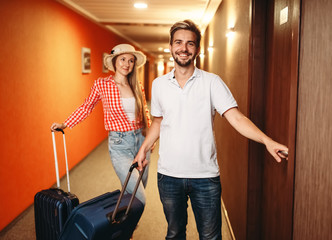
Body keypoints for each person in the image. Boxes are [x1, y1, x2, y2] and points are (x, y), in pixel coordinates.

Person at [133, 20, 289, 239]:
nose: (184, 48)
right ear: (170, 46)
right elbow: (158, 122)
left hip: (205, 177)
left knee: (210, 237)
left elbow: (236, 117)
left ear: (197, 49)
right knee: (174, 233)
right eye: (178, 42)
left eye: (190, 43)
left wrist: (267, 141)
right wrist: (144, 149)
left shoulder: (212, 82)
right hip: (168, 175)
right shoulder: (159, 84)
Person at [51, 44, 151, 205]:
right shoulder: (102, 84)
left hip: (141, 142)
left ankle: (126, 229)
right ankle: (125, 227)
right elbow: (86, 107)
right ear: (114, 62)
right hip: (120, 145)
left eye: (131, 61)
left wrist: (150, 141)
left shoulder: (137, 85)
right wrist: (65, 124)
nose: (127, 64)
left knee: (132, 195)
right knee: (138, 196)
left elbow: (145, 112)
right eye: (123, 59)